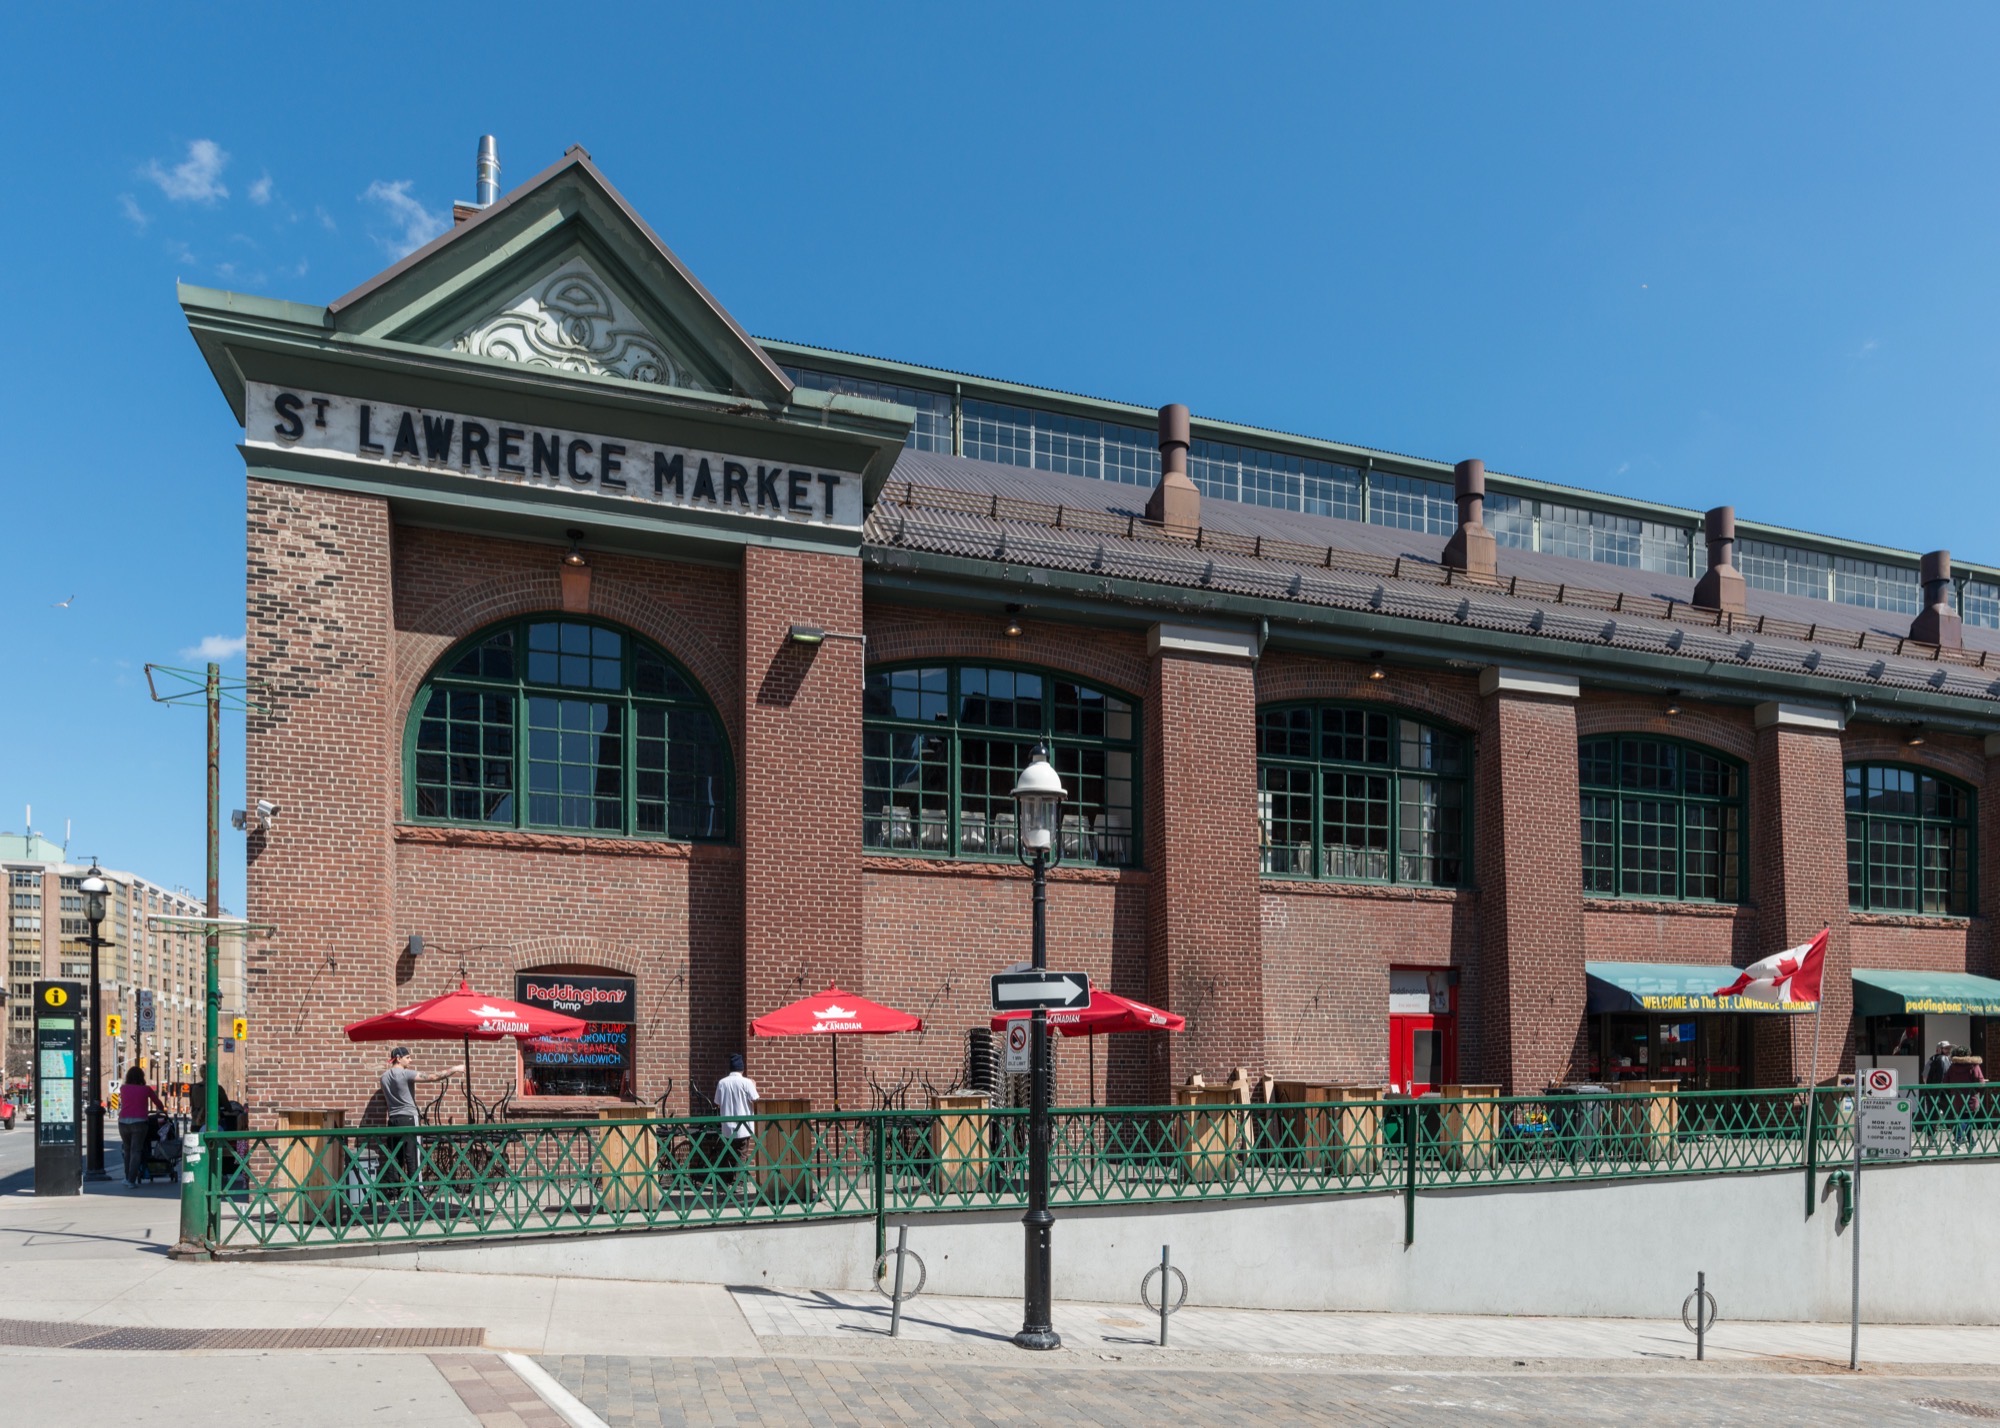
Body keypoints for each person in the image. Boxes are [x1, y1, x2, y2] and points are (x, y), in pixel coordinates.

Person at [379, 1046, 463, 1201]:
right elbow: (432, 1077)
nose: (410, 1060)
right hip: (409, 1118)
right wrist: (455, 1068)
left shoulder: (384, 1077)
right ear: (399, 1058)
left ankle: (392, 1191)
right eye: (408, 1057)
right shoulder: (405, 1074)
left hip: (393, 1119)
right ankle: (417, 1192)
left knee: (394, 1156)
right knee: (413, 1155)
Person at [713, 1054, 758, 1196]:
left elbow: (717, 1103)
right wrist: (754, 1085)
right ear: (742, 1069)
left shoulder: (722, 1083)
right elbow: (755, 1099)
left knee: (726, 1154)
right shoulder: (747, 1083)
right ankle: (738, 1183)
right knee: (741, 1155)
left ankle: (724, 1182)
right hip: (743, 1127)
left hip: (727, 1127)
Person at [116, 1066, 165, 1187]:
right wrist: (160, 1109)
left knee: (127, 1150)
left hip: (123, 1122)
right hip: (139, 1122)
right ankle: (131, 1180)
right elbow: (159, 1104)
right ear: (141, 1077)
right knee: (136, 1151)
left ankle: (127, 1177)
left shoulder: (123, 1088)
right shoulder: (146, 1089)